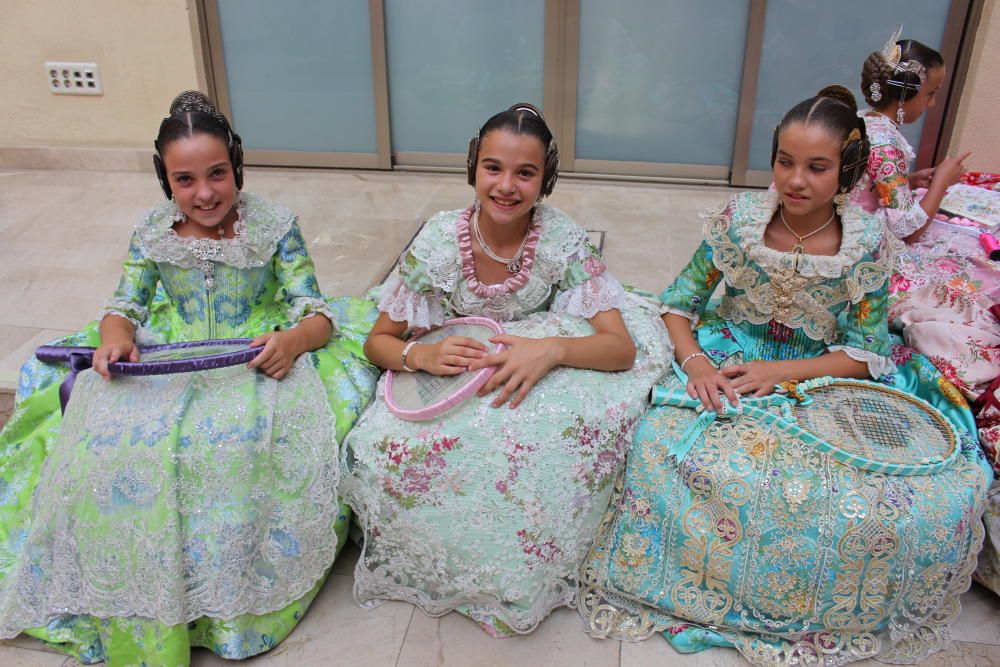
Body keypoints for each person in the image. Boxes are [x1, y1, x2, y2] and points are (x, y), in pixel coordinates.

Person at [577, 87, 992, 665]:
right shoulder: (739, 222)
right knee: (660, 447)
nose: (795, 180)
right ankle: (694, 590)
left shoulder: (867, 243)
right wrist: (696, 364)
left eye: (816, 167)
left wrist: (781, 372)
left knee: (877, 495)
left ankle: (793, 607)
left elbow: (867, 350)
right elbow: (678, 304)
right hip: (727, 354)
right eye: (785, 162)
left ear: (846, 171)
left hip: (824, 371)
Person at [0, 91, 379, 665]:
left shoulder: (275, 227)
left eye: (217, 174)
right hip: (166, 353)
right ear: (165, 179)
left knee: (231, 444)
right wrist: (115, 337)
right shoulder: (153, 232)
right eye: (185, 179)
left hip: (249, 354)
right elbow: (124, 303)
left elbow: (314, 311)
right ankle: (131, 596)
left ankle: (222, 608)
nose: (204, 193)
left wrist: (293, 342)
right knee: (110, 445)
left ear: (237, 166)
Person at [339, 103, 670, 636]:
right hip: (461, 367)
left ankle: (519, 566)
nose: (507, 186)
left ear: (547, 178)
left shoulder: (560, 240)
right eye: (493, 168)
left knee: (534, 444)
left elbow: (620, 350)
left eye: (526, 172)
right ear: (473, 167)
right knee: (381, 446)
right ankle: (445, 554)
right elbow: (379, 340)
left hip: (539, 363)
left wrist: (553, 350)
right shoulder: (439, 242)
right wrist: (416, 356)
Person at [856, 30, 970, 242]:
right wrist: (941, 183)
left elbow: (863, 184)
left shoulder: (862, 120)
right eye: (931, 93)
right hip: (857, 243)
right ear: (906, 92)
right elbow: (908, 233)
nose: (932, 103)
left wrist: (909, 180)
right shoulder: (886, 144)